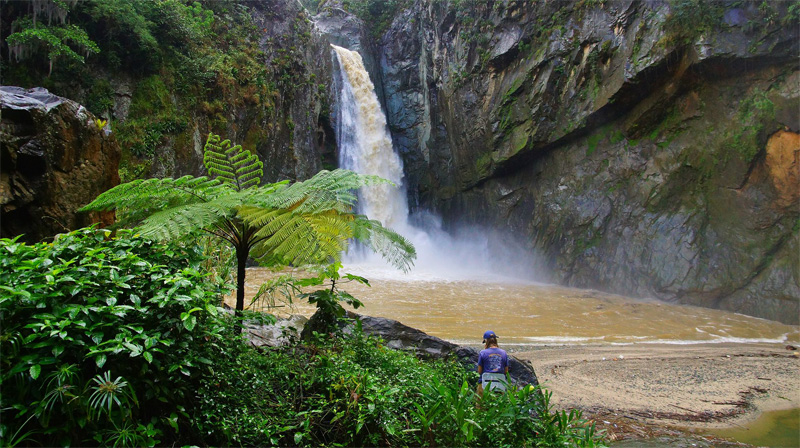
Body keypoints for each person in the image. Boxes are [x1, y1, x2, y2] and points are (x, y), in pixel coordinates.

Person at [477, 330, 508, 396]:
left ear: (485, 341)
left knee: (480, 405)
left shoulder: (482, 353)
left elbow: (479, 371)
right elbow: (506, 371)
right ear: (495, 340)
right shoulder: (503, 353)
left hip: (485, 383)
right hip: (499, 384)